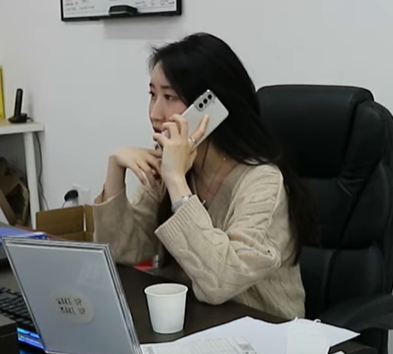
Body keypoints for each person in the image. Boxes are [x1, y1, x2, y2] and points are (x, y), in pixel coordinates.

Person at [93, 33, 316, 320]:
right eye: (152, 95)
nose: (155, 113)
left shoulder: (262, 182)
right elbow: (120, 252)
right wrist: (115, 170)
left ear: (210, 108)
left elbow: (220, 282)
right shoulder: (172, 165)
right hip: (193, 326)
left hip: (264, 332)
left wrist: (176, 182)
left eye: (169, 97)